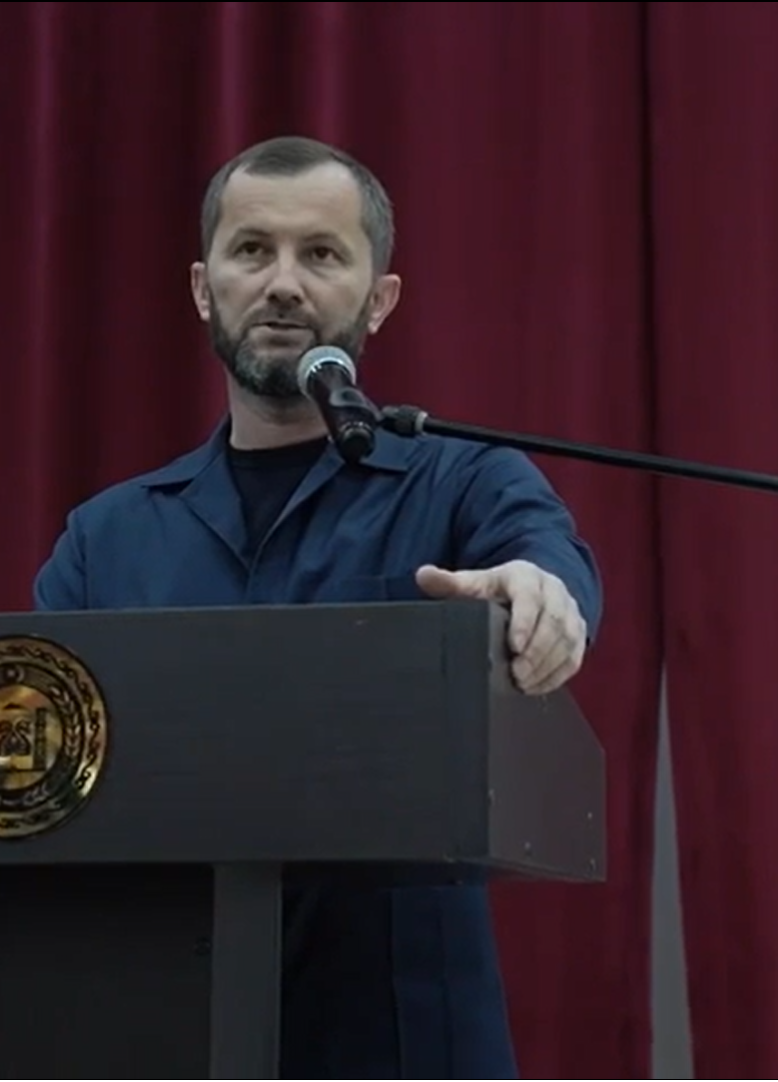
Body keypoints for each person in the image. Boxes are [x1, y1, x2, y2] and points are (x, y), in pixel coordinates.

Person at [31, 135, 603, 1079]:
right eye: (252, 250)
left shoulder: (463, 481)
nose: (284, 284)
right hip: (164, 1028)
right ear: (203, 288)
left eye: (323, 254)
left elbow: (547, 564)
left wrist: (541, 597)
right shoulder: (107, 538)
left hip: (402, 1039)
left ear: (380, 298)